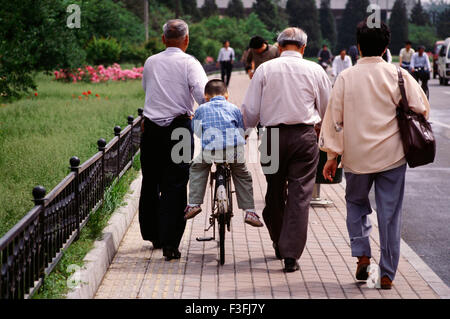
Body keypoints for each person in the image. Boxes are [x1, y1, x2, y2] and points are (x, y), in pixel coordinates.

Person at [320, 20, 430, 290]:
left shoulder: (345, 77)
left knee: (356, 205)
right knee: (390, 214)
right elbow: (422, 109)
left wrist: (332, 156)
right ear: (385, 48)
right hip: (392, 156)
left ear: (358, 47)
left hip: (357, 157)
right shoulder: (398, 75)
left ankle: (362, 255)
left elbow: (335, 119)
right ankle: (387, 273)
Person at [242, 27, 331, 273]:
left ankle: (278, 241)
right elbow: (327, 108)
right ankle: (291, 254)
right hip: (304, 137)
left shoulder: (264, 69)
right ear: (303, 48)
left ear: (279, 47)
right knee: (300, 196)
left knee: (274, 191)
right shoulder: (315, 70)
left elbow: (250, 110)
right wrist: (325, 136)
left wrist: (244, 134)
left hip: (270, 137)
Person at [140, 19, 208, 260]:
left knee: (151, 180)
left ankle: (153, 234)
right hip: (179, 129)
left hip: (151, 130)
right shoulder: (190, 63)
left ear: (163, 39)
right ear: (186, 40)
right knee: (176, 183)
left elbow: (147, 89)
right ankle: (170, 244)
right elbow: (203, 95)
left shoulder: (150, 62)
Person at [184, 79, 263, 227]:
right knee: (242, 175)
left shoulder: (201, 109)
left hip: (210, 151)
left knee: (197, 168)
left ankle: (194, 203)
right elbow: (242, 129)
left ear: (206, 97)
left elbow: (196, 131)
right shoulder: (233, 108)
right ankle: (250, 211)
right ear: (226, 95)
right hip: (234, 152)